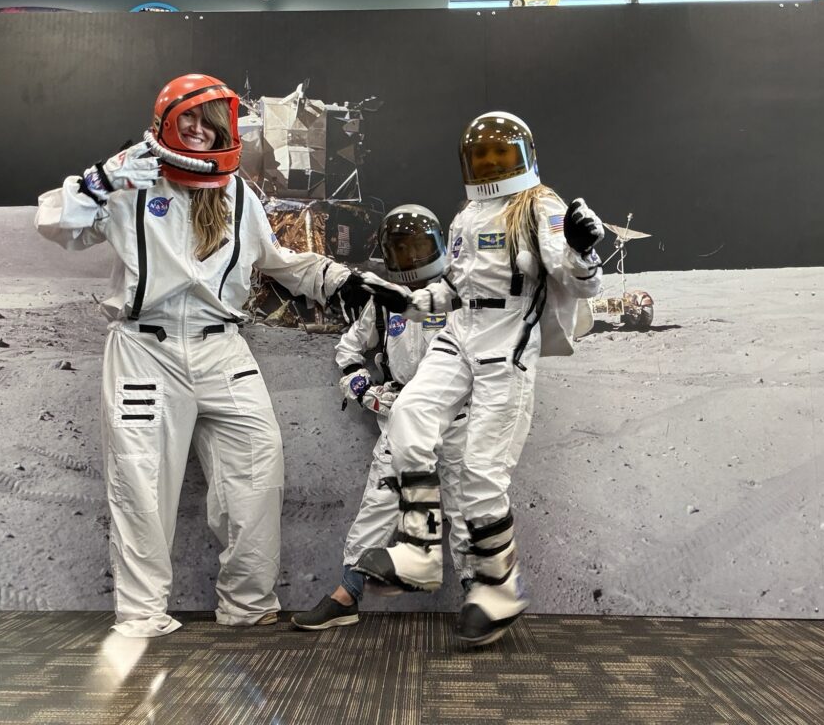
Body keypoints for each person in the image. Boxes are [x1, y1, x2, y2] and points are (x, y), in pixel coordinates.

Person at [35, 73, 380, 637]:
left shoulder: (238, 195)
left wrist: (339, 279)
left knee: (257, 474)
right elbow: (54, 223)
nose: (198, 129)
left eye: (209, 120)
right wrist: (100, 180)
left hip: (223, 350)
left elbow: (273, 260)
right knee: (141, 483)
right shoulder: (131, 183)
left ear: (225, 129)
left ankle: (248, 604)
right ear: (164, 122)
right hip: (145, 351)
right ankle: (142, 615)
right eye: (187, 117)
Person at [354, 111, 604, 646]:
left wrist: (583, 251)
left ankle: (498, 588)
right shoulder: (467, 214)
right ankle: (419, 551)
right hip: (458, 332)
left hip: (505, 342)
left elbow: (578, 283)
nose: (490, 162)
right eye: (481, 154)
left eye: (500, 153)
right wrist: (410, 301)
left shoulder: (538, 206)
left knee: (481, 474)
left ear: (525, 156)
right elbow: (454, 287)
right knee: (409, 416)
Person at [291, 205, 471, 630]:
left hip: (457, 416)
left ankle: (480, 598)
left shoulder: (461, 295)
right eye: (402, 249)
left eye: (419, 247)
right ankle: (347, 595)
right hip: (403, 415)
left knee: (467, 507)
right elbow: (348, 350)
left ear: (438, 245)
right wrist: (361, 386)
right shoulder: (385, 301)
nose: (412, 257)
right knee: (379, 503)